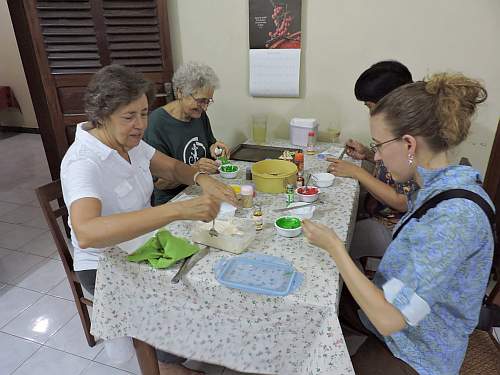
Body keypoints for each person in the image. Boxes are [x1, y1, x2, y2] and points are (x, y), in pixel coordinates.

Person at [304, 73, 494, 374]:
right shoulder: (436, 186)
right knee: (321, 297)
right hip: (397, 313)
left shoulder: (456, 216)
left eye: (378, 145)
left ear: (409, 145)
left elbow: (390, 318)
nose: (376, 155)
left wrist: (335, 248)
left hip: (417, 351)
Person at [61, 64, 237, 375]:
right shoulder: (83, 162)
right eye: (129, 116)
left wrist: (200, 177)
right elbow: (86, 232)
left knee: (207, 271)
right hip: (103, 265)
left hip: (142, 246)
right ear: (102, 114)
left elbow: (169, 168)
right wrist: (176, 210)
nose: (140, 124)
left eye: (143, 113)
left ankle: (181, 351)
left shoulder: (131, 143)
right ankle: (163, 364)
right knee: (185, 291)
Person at [327, 61, 416, 268]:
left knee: (335, 246)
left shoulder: (410, 135)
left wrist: (358, 173)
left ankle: (350, 295)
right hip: (377, 213)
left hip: (395, 227)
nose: (369, 112)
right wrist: (367, 155)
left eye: (369, 105)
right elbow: (392, 169)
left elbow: (403, 201)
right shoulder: (400, 128)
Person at [144, 62, 231, 206]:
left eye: (208, 101)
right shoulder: (157, 124)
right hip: (173, 200)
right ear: (180, 92)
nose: (205, 107)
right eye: (201, 101)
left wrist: (216, 149)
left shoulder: (199, 115)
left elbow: (209, 146)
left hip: (200, 189)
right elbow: (160, 183)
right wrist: (194, 170)